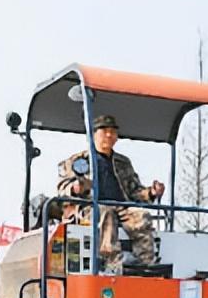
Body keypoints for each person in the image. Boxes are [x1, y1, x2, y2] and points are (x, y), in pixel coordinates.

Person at [57, 115, 165, 273]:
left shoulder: (123, 162)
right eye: (104, 131)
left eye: (113, 132)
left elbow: (135, 191)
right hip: (89, 208)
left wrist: (152, 192)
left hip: (121, 207)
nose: (109, 135)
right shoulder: (77, 161)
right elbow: (62, 188)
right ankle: (112, 262)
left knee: (141, 215)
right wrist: (74, 188)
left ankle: (146, 262)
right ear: (93, 134)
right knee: (105, 212)